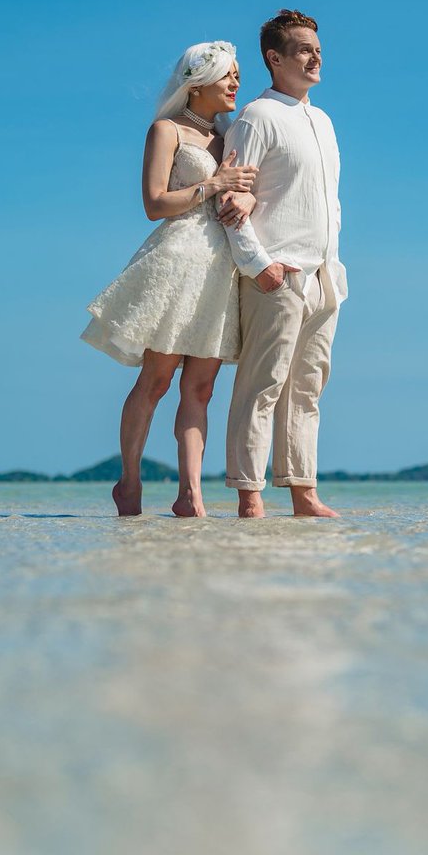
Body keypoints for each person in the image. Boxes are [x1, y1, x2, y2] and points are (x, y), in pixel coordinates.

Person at [82, 41, 259, 517]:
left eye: (238, 74)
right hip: (178, 260)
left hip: (221, 269)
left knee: (201, 389)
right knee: (157, 378)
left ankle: (190, 495)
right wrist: (214, 184)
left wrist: (244, 195)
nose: (236, 82)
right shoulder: (166, 130)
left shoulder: (232, 136)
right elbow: (154, 204)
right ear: (197, 83)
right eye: (228, 74)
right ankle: (129, 481)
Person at [223, 9, 349, 518]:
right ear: (274, 59)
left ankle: (303, 492)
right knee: (262, 386)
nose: (315, 58)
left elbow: (329, 201)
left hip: (324, 275)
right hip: (276, 274)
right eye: (303, 50)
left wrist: (332, 268)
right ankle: (249, 496)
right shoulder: (256, 116)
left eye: (318, 49)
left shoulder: (323, 120)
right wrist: (259, 265)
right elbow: (230, 201)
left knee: (308, 389)